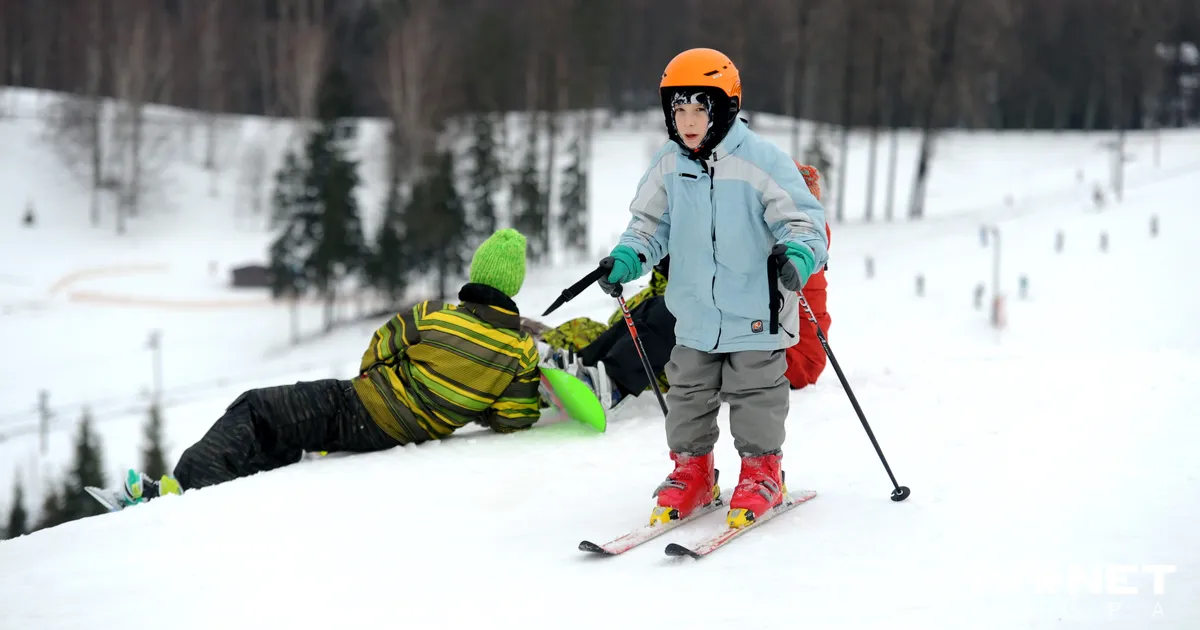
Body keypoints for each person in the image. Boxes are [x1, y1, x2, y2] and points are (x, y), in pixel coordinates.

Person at [99, 229, 543, 509]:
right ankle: (210, 493)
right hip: (408, 431)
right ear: (513, 288)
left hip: (359, 407)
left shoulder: (435, 314)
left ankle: (182, 493)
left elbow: (379, 348)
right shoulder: (521, 350)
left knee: (256, 410)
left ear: (477, 272)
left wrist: (371, 385)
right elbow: (512, 417)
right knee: (284, 435)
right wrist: (471, 404)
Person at [599, 47, 829, 529]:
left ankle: (763, 471)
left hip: (757, 311)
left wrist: (800, 255)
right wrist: (627, 259)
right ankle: (693, 472)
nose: (687, 121)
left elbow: (804, 221)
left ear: (725, 108)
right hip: (696, 315)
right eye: (677, 110)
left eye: (699, 109)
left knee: (756, 394)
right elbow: (648, 226)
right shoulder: (668, 166)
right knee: (687, 394)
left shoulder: (762, 162)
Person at [536, 164, 833, 409]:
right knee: (670, 306)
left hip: (787, 358)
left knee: (683, 313)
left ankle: (610, 384)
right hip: (760, 337)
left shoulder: (796, 241)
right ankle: (586, 370)